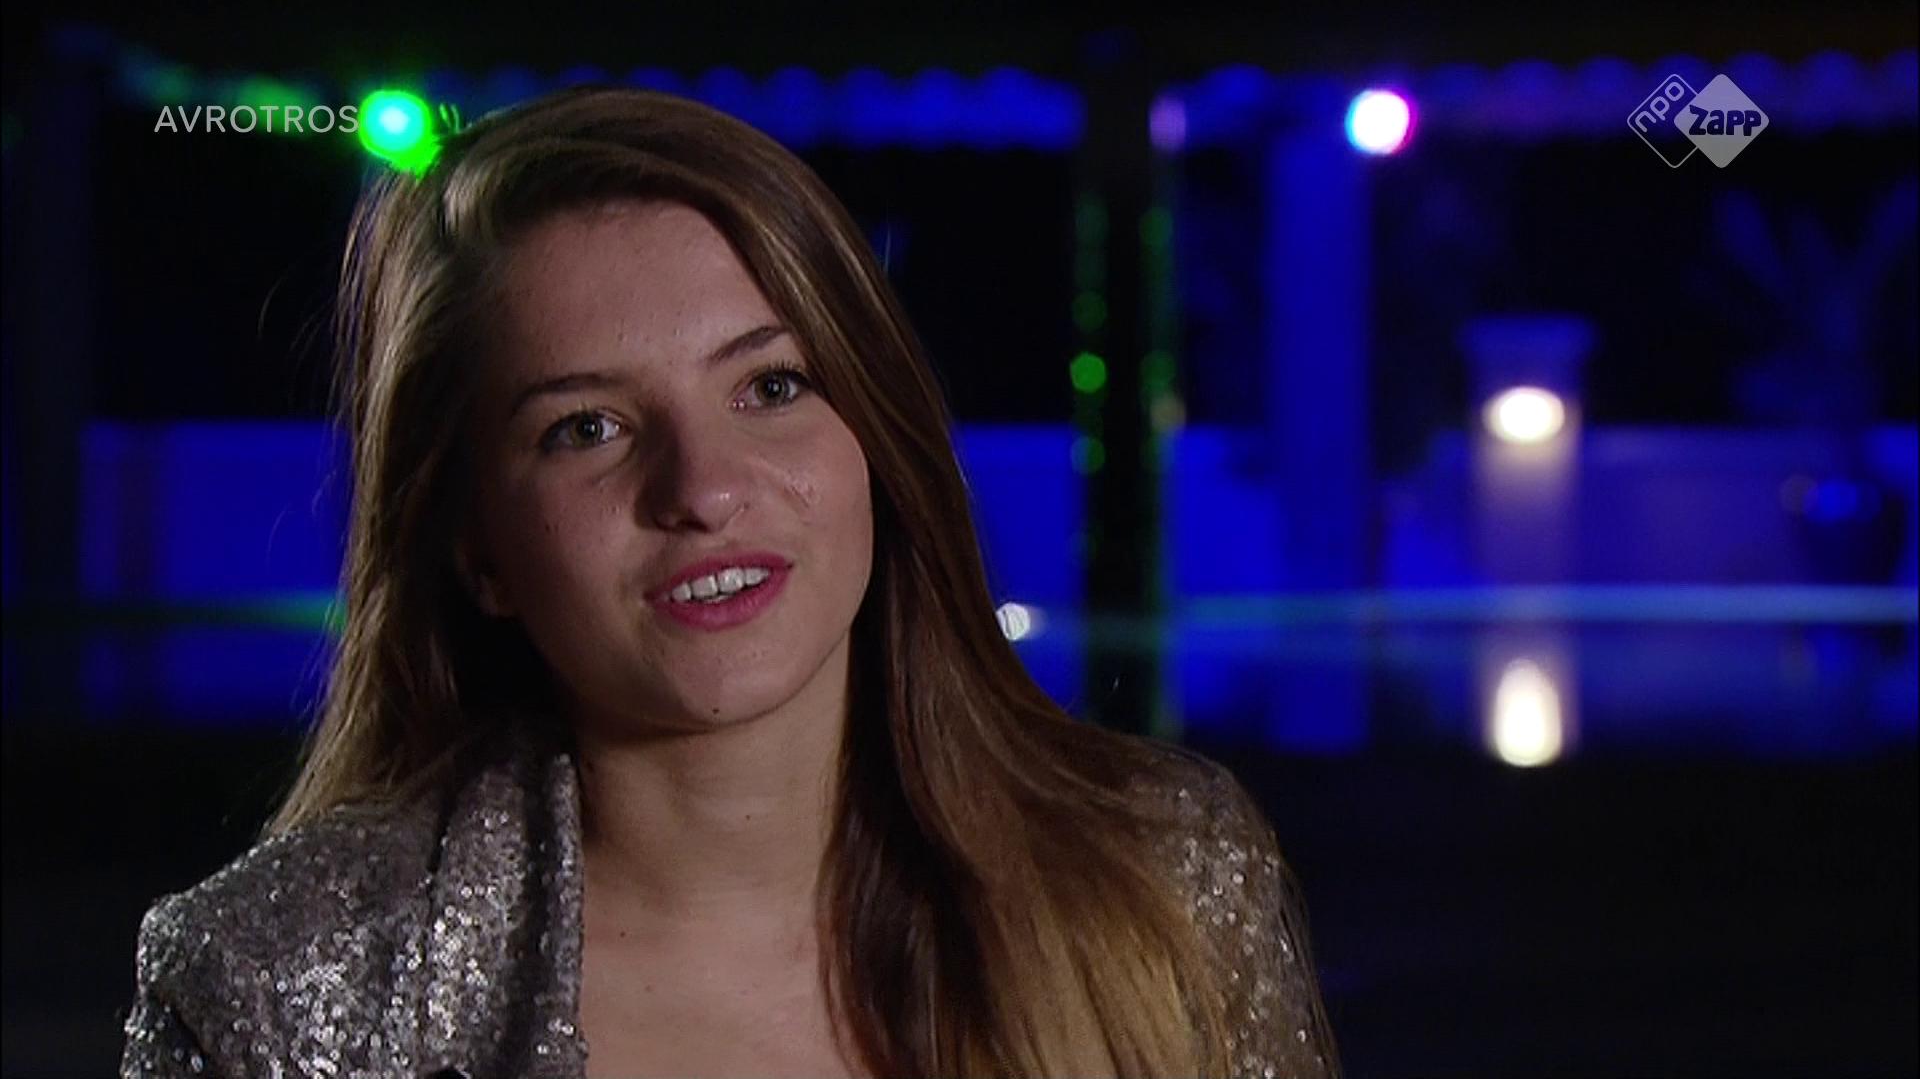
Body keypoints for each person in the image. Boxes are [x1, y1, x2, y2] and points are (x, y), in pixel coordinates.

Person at [118, 85, 1340, 1079]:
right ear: (476, 547)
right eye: (586, 428)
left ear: (877, 438)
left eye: (771, 386)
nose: (702, 489)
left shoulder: (1167, 886)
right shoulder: (273, 989)